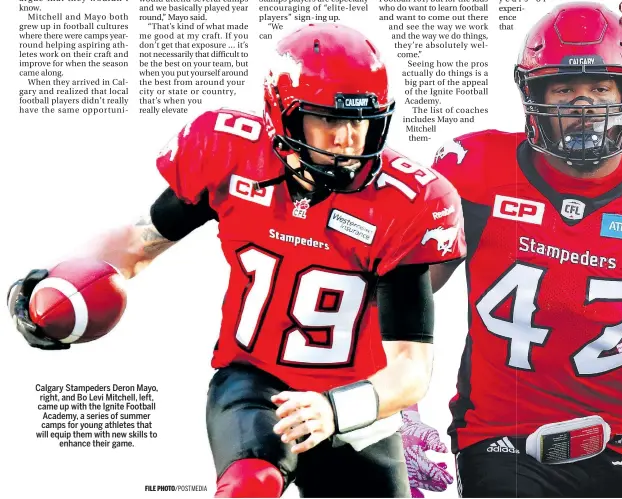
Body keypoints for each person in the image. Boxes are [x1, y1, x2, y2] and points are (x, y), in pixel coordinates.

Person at [7, 24, 466, 498]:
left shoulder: (411, 202)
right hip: (256, 385)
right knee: (250, 485)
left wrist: (334, 409)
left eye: (361, 120)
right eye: (328, 120)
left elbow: (411, 367)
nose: (349, 140)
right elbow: (140, 242)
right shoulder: (230, 154)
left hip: (356, 407)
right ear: (282, 118)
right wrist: (56, 283)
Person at [403, 2, 622, 497]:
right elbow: (397, 297)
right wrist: (390, 412)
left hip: (619, 448)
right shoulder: (476, 172)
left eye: (601, 88)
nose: (584, 105)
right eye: (563, 88)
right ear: (535, 96)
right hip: (498, 443)